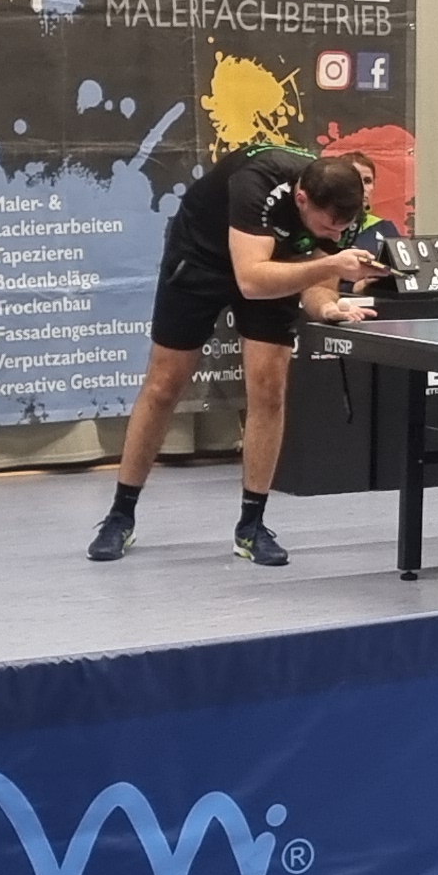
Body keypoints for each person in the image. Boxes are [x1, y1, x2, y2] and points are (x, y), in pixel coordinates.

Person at [86, 145, 381, 568]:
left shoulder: (341, 205)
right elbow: (251, 280)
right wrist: (330, 265)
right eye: (328, 226)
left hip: (279, 263)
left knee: (269, 390)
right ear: (301, 199)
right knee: (165, 385)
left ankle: (252, 526)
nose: (336, 235)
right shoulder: (256, 183)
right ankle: (120, 515)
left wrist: (328, 308)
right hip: (203, 258)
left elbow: (319, 283)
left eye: (343, 229)